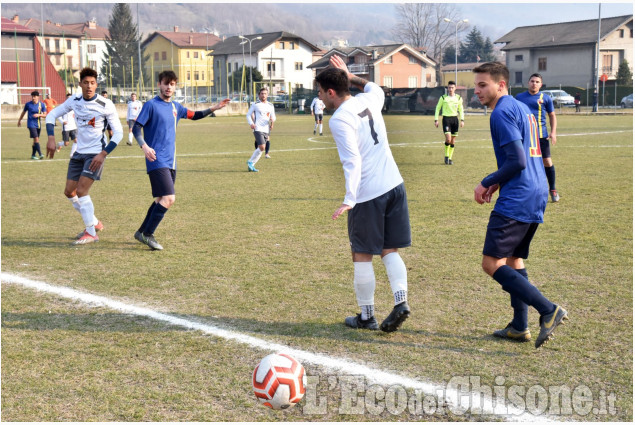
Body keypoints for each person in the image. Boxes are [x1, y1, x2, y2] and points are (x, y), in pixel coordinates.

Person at [472, 62, 568, 349]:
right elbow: (523, 156)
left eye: (483, 85)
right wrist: (498, 183)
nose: (477, 90)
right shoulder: (521, 108)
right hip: (536, 191)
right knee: (514, 259)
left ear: (501, 85)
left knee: (492, 264)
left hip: (520, 196)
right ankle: (519, 326)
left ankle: (549, 309)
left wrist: (486, 180)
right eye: (476, 85)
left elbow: (517, 160)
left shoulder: (501, 112)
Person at [315, 55, 412, 333]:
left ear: (331, 92)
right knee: (388, 249)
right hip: (395, 185)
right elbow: (376, 88)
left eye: (321, 93)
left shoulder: (339, 119)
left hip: (369, 194)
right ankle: (400, 301)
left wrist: (349, 198)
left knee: (361, 253)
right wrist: (351, 75)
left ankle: (367, 316)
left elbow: (352, 161)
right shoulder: (368, 100)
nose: (320, 98)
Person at [132, 70, 230, 250]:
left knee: (160, 199)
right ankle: (148, 234)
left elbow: (195, 115)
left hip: (171, 161)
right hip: (156, 159)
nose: (169, 87)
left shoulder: (176, 107)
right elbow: (137, 128)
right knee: (169, 198)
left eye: (172, 84)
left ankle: (141, 232)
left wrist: (214, 108)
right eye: (165, 83)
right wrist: (144, 146)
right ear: (159, 85)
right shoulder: (151, 105)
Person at [44, 67, 124, 245]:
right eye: (86, 83)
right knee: (69, 192)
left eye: (93, 83)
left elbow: (118, 134)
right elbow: (51, 115)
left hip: (96, 154)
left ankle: (91, 232)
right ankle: (95, 223)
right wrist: (51, 137)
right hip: (79, 153)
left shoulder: (106, 104)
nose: (89, 86)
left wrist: (103, 154)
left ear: (96, 85)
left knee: (81, 191)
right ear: (80, 84)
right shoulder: (74, 100)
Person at [515, 73, 560, 202]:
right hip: (524, 136)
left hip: (541, 136)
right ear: (528, 83)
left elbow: (552, 115)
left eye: (537, 82)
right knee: (523, 163)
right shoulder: (519, 97)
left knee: (547, 162)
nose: (534, 83)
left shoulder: (545, 98)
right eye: (532, 81)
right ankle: (524, 190)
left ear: (541, 84)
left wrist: (553, 132)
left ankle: (552, 189)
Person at [434, 81, 464, 165]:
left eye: (452, 87)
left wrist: (462, 120)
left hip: (455, 119)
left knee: (453, 141)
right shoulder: (443, 98)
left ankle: (450, 158)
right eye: (449, 87)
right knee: (448, 139)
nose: (450, 89)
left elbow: (461, 110)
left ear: (455, 88)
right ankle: (446, 156)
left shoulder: (458, 98)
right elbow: (437, 108)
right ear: (447, 88)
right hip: (446, 119)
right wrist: (436, 120)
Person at [246, 87, 276, 171]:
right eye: (262, 93)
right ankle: (250, 162)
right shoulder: (255, 104)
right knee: (262, 147)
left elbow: (273, 116)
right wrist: (251, 123)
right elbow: (248, 115)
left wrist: (272, 121)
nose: (263, 95)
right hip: (257, 128)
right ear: (259, 95)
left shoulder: (270, 105)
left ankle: (251, 165)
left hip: (266, 129)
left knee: (261, 149)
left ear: (267, 95)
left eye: (265, 94)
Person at [17, 91, 47, 160]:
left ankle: (33, 155)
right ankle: (40, 154)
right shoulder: (28, 104)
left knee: (35, 140)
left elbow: (45, 115)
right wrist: (19, 120)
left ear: (38, 97)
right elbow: (23, 113)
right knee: (36, 138)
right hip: (31, 124)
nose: (33, 98)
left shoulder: (41, 105)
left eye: (35, 96)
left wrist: (39, 115)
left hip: (38, 124)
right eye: (32, 96)